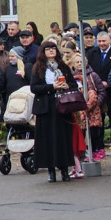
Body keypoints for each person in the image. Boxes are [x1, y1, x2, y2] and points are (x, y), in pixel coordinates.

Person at [31, 41, 77, 182]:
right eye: (48, 49)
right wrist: (52, 86)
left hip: (62, 105)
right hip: (46, 107)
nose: (51, 51)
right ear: (43, 52)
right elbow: (34, 88)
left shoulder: (63, 66)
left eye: (53, 48)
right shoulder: (38, 67)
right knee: (48, 139)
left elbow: (74, 84)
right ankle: (51, 171)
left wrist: (66, 85)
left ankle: (64, 169)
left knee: (63, 138)